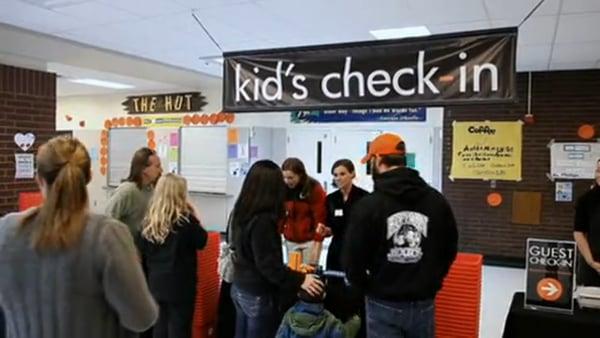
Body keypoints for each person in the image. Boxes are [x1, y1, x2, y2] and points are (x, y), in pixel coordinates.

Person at [0, 135, 158, 338]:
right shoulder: (107, 236)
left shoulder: (6, 231)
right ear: (90, 176)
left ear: (38, 179)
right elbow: (142, 318)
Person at [343, 133, 458, 338]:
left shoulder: (368, 206)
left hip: (382, 302)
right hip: (424, 302)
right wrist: (431, 281)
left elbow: (352, 260)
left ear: (378, 160)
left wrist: (368, 287)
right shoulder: (436, 201)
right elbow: (449, 248)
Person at [230, 160, 324, 338]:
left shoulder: (241, 210)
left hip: (240, 285)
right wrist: (300, 279)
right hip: (258, 292)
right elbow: (269, 266)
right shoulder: (263, 221)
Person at [138, 173, 208, 338]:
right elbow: (202, 241)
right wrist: (195, 213)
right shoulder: (186, 221)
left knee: (160, 327)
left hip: (156, 282)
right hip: (181, 285)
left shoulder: (150, 221)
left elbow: (143, 249)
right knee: (180, 328)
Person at [323, 159, 368, 337]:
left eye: (342, 174)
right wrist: (325, 230)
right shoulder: (331, 199)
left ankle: (358, 328)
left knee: (355, 289)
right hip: (336, 249)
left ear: (352, 174)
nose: (338, 178)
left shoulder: (364, 198)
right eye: (335, 175)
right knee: (334, 288)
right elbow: (329, 227)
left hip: (357, 249)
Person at [106, 147, 163, 239]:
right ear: (144, 169)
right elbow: (108, 219)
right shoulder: (127, 191)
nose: (161, 170)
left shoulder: (151, 190)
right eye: (157, 166)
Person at [276, 278, 361, 338]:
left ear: (298, 294)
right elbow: (345, 334)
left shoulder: (289, 315)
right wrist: (356, 318)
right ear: (324, 296)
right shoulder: (329, 321)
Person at [281, 157, 327, 265]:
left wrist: (318, 240)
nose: (287, 181)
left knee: (308, 273)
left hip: (309, 240)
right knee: (293, 273)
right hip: (291, 240)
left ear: (300, 175)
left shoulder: (314, 188)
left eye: (291, 178)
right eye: (284, 177)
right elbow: (281, 214)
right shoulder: (283, 188)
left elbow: (320, 216)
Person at [573, 159, 600, 286]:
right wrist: (591, 262)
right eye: (598, 171)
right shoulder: (586, 200)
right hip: (591, 263)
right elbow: (579, 233)